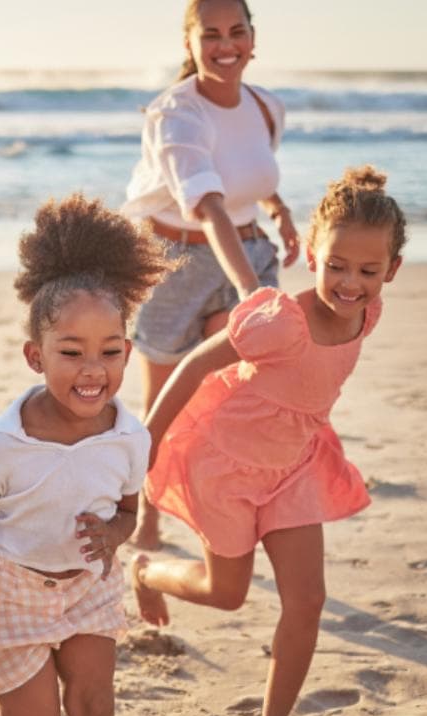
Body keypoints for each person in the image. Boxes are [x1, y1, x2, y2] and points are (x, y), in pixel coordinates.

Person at [131, 166, 407, 716]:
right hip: (225, 468)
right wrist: (146, 443)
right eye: (336, 265)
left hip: (294, 468)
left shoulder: (368, 314)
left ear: (391, 270)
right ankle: (147, 570)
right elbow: (194, 367)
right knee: (226, 594)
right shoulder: (279, 318)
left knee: (307, 600)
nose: (350, 282)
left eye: (367, 270)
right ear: (311, 254)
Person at [0, 195, 173, 716]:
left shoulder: (130, 438)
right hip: (12, 589)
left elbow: (130, 510)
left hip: (88, 588)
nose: (92, 369)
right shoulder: (4, 441)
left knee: (95, 707)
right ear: (36, 355)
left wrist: (112, 535)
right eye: (71, 352)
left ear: (128, 353)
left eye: (110, 352)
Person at [122, 0, 300, 551]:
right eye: (212, 35)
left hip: (245, 248)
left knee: (230, 402)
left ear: (253, 38)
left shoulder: (266, 106)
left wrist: (279, 209)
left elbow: (247, 169)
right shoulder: (175, 114)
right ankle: (145, 513)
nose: (227, 46)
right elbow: (209, 205)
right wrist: (251, 292)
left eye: (237, 32)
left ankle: (220, 517)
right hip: (173, 261)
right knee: (167, 405)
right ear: (190, 45)